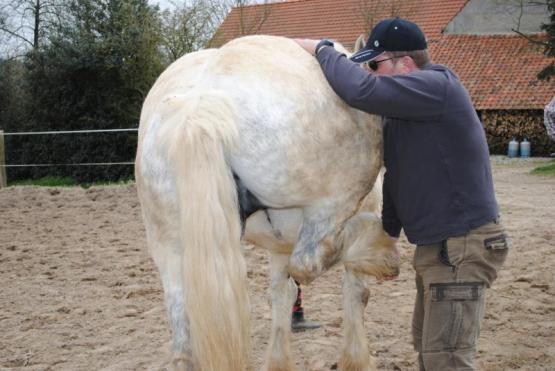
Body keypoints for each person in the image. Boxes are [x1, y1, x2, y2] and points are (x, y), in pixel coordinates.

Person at [293, 17, 509, 371]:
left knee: (447, 357)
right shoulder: (405, 114)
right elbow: (396, 176)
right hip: (438, 250)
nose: (372, 74)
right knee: (428, 344)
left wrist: (322, 49)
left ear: (405, 62)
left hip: (462, 247)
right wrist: (387, 236)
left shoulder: (438, 86)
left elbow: (360, 90)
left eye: (375, 65)